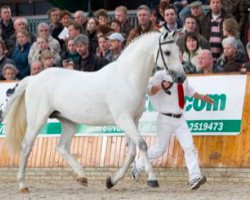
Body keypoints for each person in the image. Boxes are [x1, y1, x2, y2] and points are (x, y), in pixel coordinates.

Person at [132, 69, 214, 190]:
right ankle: (139, 164)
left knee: (189, 146)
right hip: (165, 118)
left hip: (180, 118)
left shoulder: (182, 74)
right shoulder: (160, 75)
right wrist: (161, 85)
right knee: (159, 150)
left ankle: (194, 178)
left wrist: (201, 97)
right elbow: (150, 91)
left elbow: (189, 91)